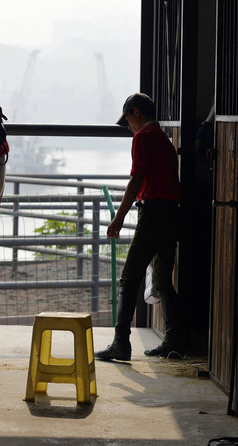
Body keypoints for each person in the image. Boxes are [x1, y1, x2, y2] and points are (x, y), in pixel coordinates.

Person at [96, 93, 185, 362]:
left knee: (129, 278)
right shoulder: (165, 141)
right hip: (171, 213)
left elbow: (136, 179)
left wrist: (119, 217)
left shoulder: (143, 137)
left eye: (128, 120)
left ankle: (121, 343)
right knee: (161, 280)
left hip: (153, 212)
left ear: (135, 112)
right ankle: (174, 341)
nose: (129, 127)